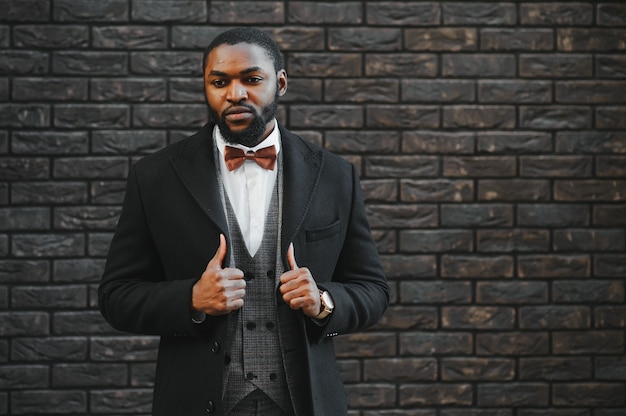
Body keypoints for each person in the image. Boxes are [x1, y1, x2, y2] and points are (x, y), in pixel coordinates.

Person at [98, 26, 389, 416]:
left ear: (280, 83)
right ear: (206, 87)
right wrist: (190, 299)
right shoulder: (156, 177)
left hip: (304, 403)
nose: (235, 94)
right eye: (219, 82)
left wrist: (324, 301)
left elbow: (373, 290)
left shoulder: (335, 176)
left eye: (252, 79)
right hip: (196, 401)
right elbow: (116, 296)